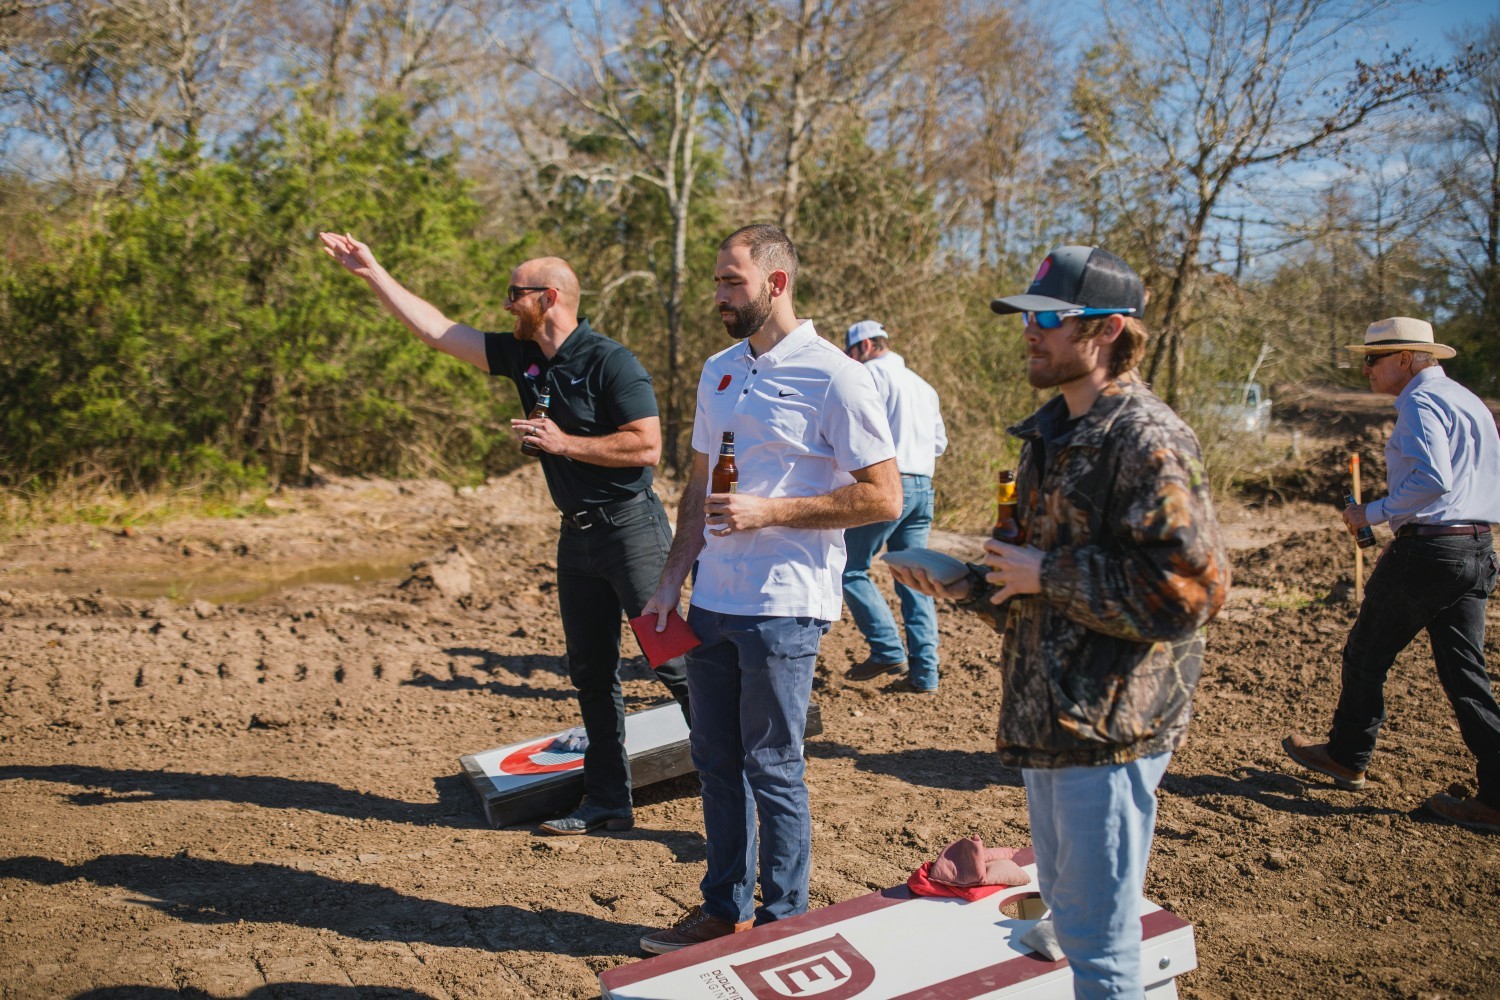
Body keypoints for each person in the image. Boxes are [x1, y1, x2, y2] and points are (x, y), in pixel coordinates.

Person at [888, 245, 1229, 997]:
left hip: (1112, 729)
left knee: (1102, 952)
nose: (1029, 331)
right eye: (1025, 317)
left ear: (1106, 330)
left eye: (1048, 317)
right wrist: (971, 582)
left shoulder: (1146, 438)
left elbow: (1191, 593)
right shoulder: (1050, 436)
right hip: (1050, 721)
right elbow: (1038, 590)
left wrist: (1046, 573)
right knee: (1073, 924)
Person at [318, 233, 689, 836]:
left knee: (672, 664)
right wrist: (373, 272)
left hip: (633, 535)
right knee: (591, 673)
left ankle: (738, 790)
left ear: (549, 298)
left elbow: (648, 445)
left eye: (513, 295)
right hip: (578, 540)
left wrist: (563, 442)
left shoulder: (610, 360)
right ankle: (606, 803)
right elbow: (439, 331)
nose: (504, 306)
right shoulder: (525, 355)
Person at [636, 224, 901, 954]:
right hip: (714, 601)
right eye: (718, 281)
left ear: (776, 283)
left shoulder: (837, 376)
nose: (719, 294)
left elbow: (884, 497)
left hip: (786, 606)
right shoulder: (718, 368)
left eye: (732, 282)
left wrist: (771, 511)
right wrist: (671, 581)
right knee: (714, 763)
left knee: (773, 767)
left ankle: (785, 925)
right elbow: (696, 487)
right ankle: (723, 910)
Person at [1283, 317, 1500, 834]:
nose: (1366, 368)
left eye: (1374, 358)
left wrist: (1370, 514)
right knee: (1465, 676)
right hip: (1477, 546)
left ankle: (1346, 754)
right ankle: (1496, 794)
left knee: (1366, 652)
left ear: (1407, 359)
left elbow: (1433, 480)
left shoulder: (1420, 404)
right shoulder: (1468, 401)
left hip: (1429, 550)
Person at [839, 320, 949, 692]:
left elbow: (858, 431)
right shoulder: (923, 385)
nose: (848, 357)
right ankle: (925, 673)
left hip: (891, 484)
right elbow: (939, 444)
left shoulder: (868, 374)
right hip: (924, 484)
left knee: (850, 568)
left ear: (865, 345)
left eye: (850, 350)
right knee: (914, 577)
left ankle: (886, 647)